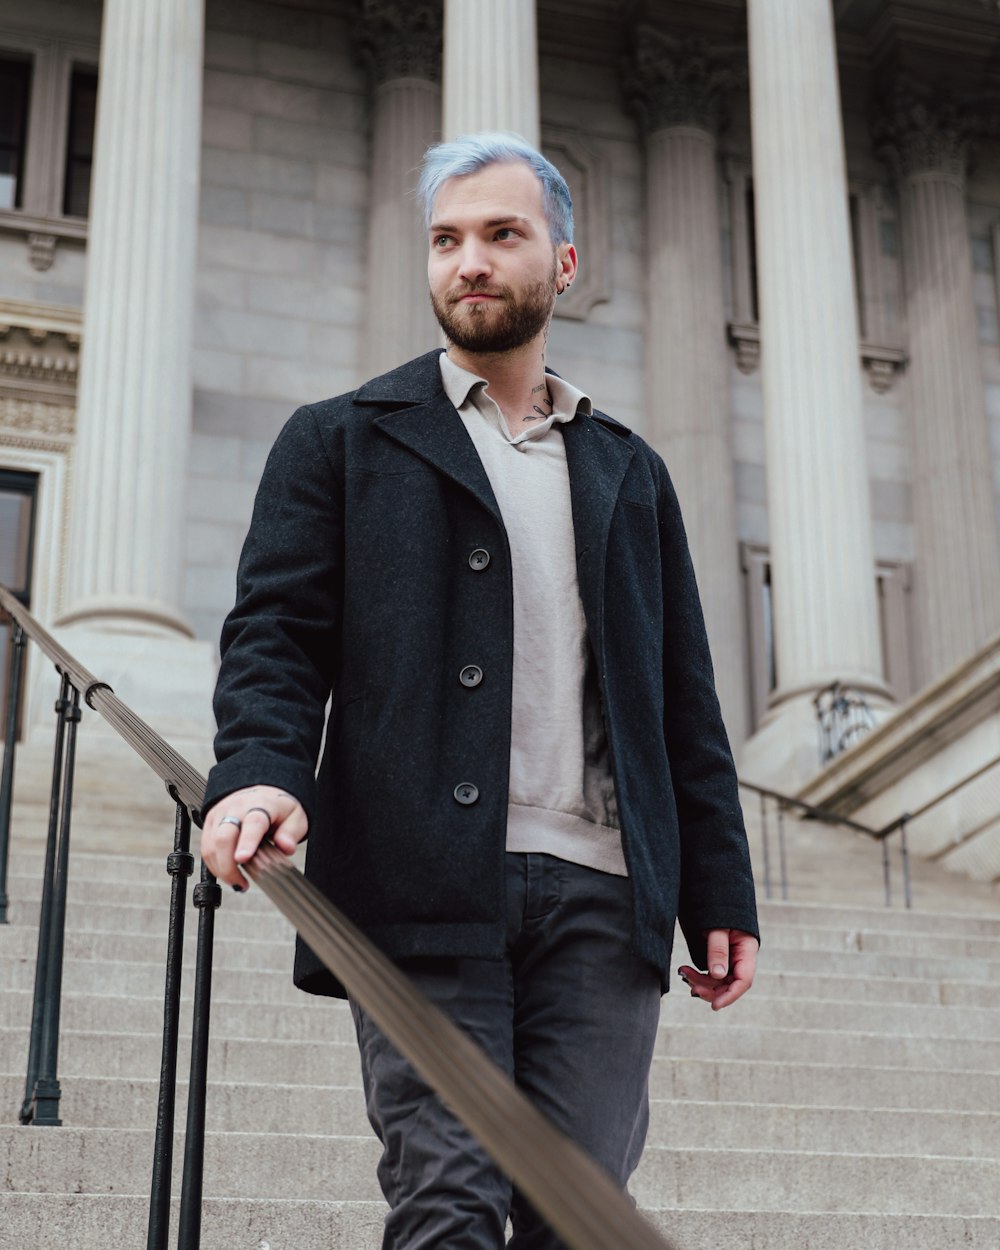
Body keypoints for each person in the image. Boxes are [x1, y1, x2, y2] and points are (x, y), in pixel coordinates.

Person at [200, 131, 759, 1250]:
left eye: (502, 234)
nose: (469, 260)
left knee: (577, 1217)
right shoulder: (339, 441)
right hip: (418, 883)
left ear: (560, 262)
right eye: (447, 238)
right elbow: (276, 634)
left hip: (604, 899)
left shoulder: (628, 470)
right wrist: (259, 772)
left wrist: (719, 885)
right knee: (446, 1201)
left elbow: (681, 699)